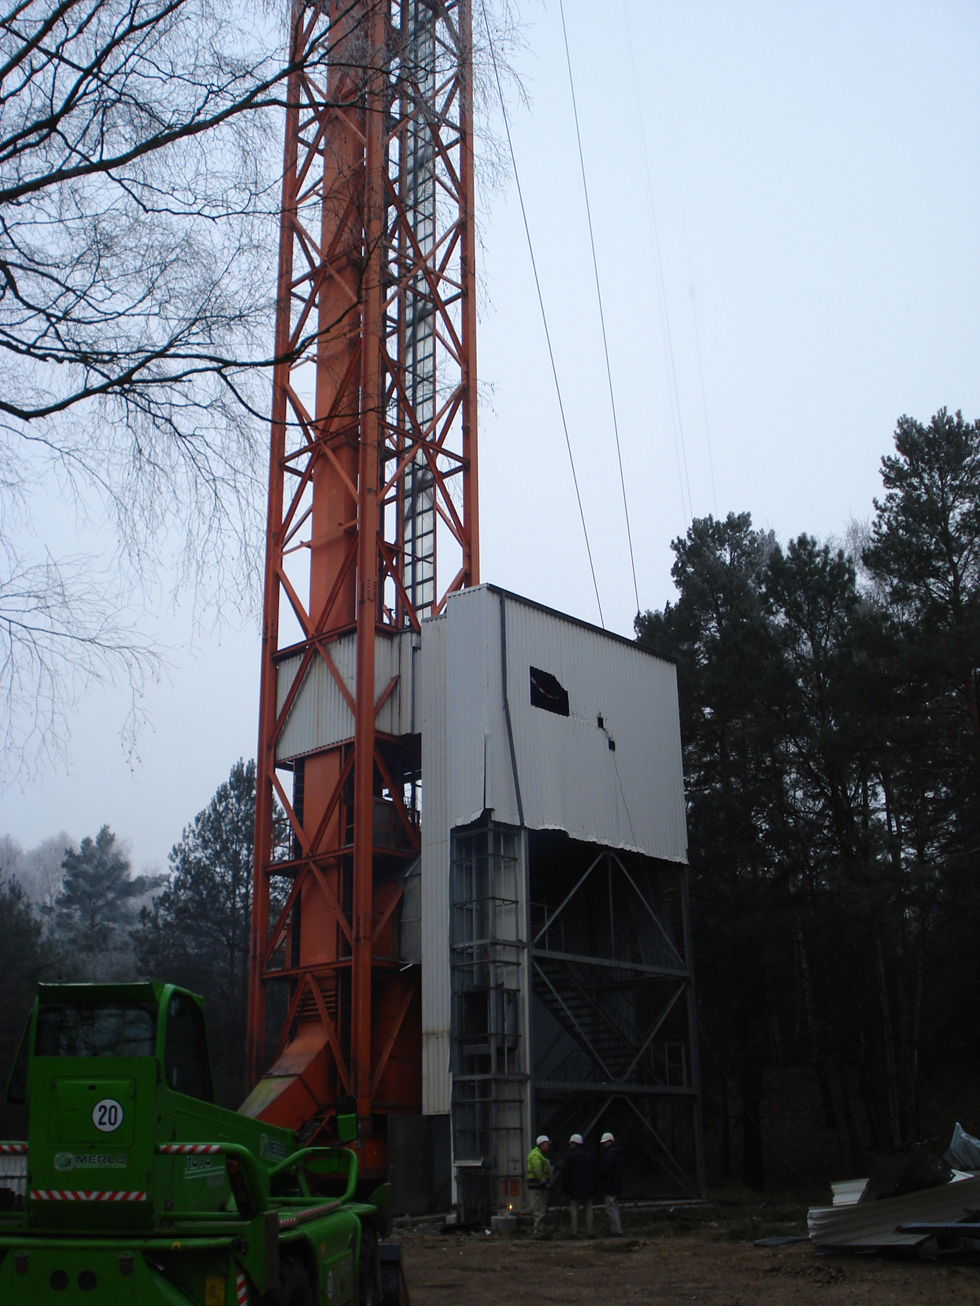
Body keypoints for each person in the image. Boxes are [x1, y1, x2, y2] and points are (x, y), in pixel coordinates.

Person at [561, 1133, 597, 1238]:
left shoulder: (569, 1157)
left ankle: (574, 1233)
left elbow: (565, 1175)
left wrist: (565, 1189)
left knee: (574, 1212)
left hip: (574, 1190)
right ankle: (590, 1232)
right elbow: (595, 1173)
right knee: (589, 1211)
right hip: (589, 1189)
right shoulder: (590, 1156)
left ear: (573, 1143)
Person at [597, 1131, 624, 1236]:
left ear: (610, 1142)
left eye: (605, 1142)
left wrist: (598, 1175)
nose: (603, 1144)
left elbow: (605, 1168)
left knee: (611, 1207)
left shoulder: (610, 1153)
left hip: (610, 1185)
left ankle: (616, 1230)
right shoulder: (616, 1152)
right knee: (615, 1207)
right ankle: (616, 1229)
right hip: (616, 1184)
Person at [526, 1134, 553, 1239]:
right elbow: (538, 1171)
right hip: (538, 1187)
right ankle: (538, 1232)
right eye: (547, 1144)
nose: (548, 1147)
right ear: (541, 1144)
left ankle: (541, 1231)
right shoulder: (536, 1156)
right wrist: (545, 1182)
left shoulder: (539, 1155)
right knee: (540, 1210)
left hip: (539, 1186)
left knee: (542, 1209)